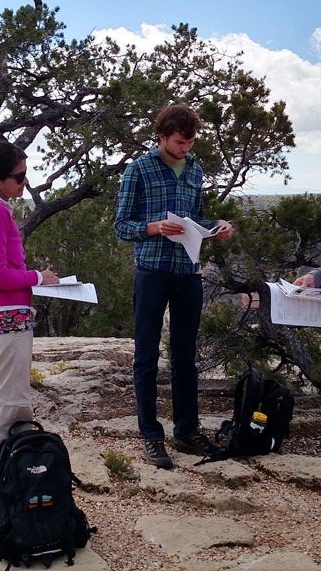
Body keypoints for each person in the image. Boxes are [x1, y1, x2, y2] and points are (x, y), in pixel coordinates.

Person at [114, 105, 234, 469]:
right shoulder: (138, 170)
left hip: (188, 272)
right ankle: (151, 435)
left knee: (185, 356)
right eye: (180, 142)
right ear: (161, 137)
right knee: (146, 357)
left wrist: (217, 225)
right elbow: (120, 224)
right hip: (151, 272)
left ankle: (186, 431)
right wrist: (150, 228)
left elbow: (194, 217)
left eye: (191, 141)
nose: (186, 148)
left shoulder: (195, 169)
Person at [0, 140, 59, 499]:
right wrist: (37, 277)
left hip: (3, 317)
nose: (24, 183)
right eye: (19, 177)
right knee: (10, 406)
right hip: (7, 318)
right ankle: (5, 496)